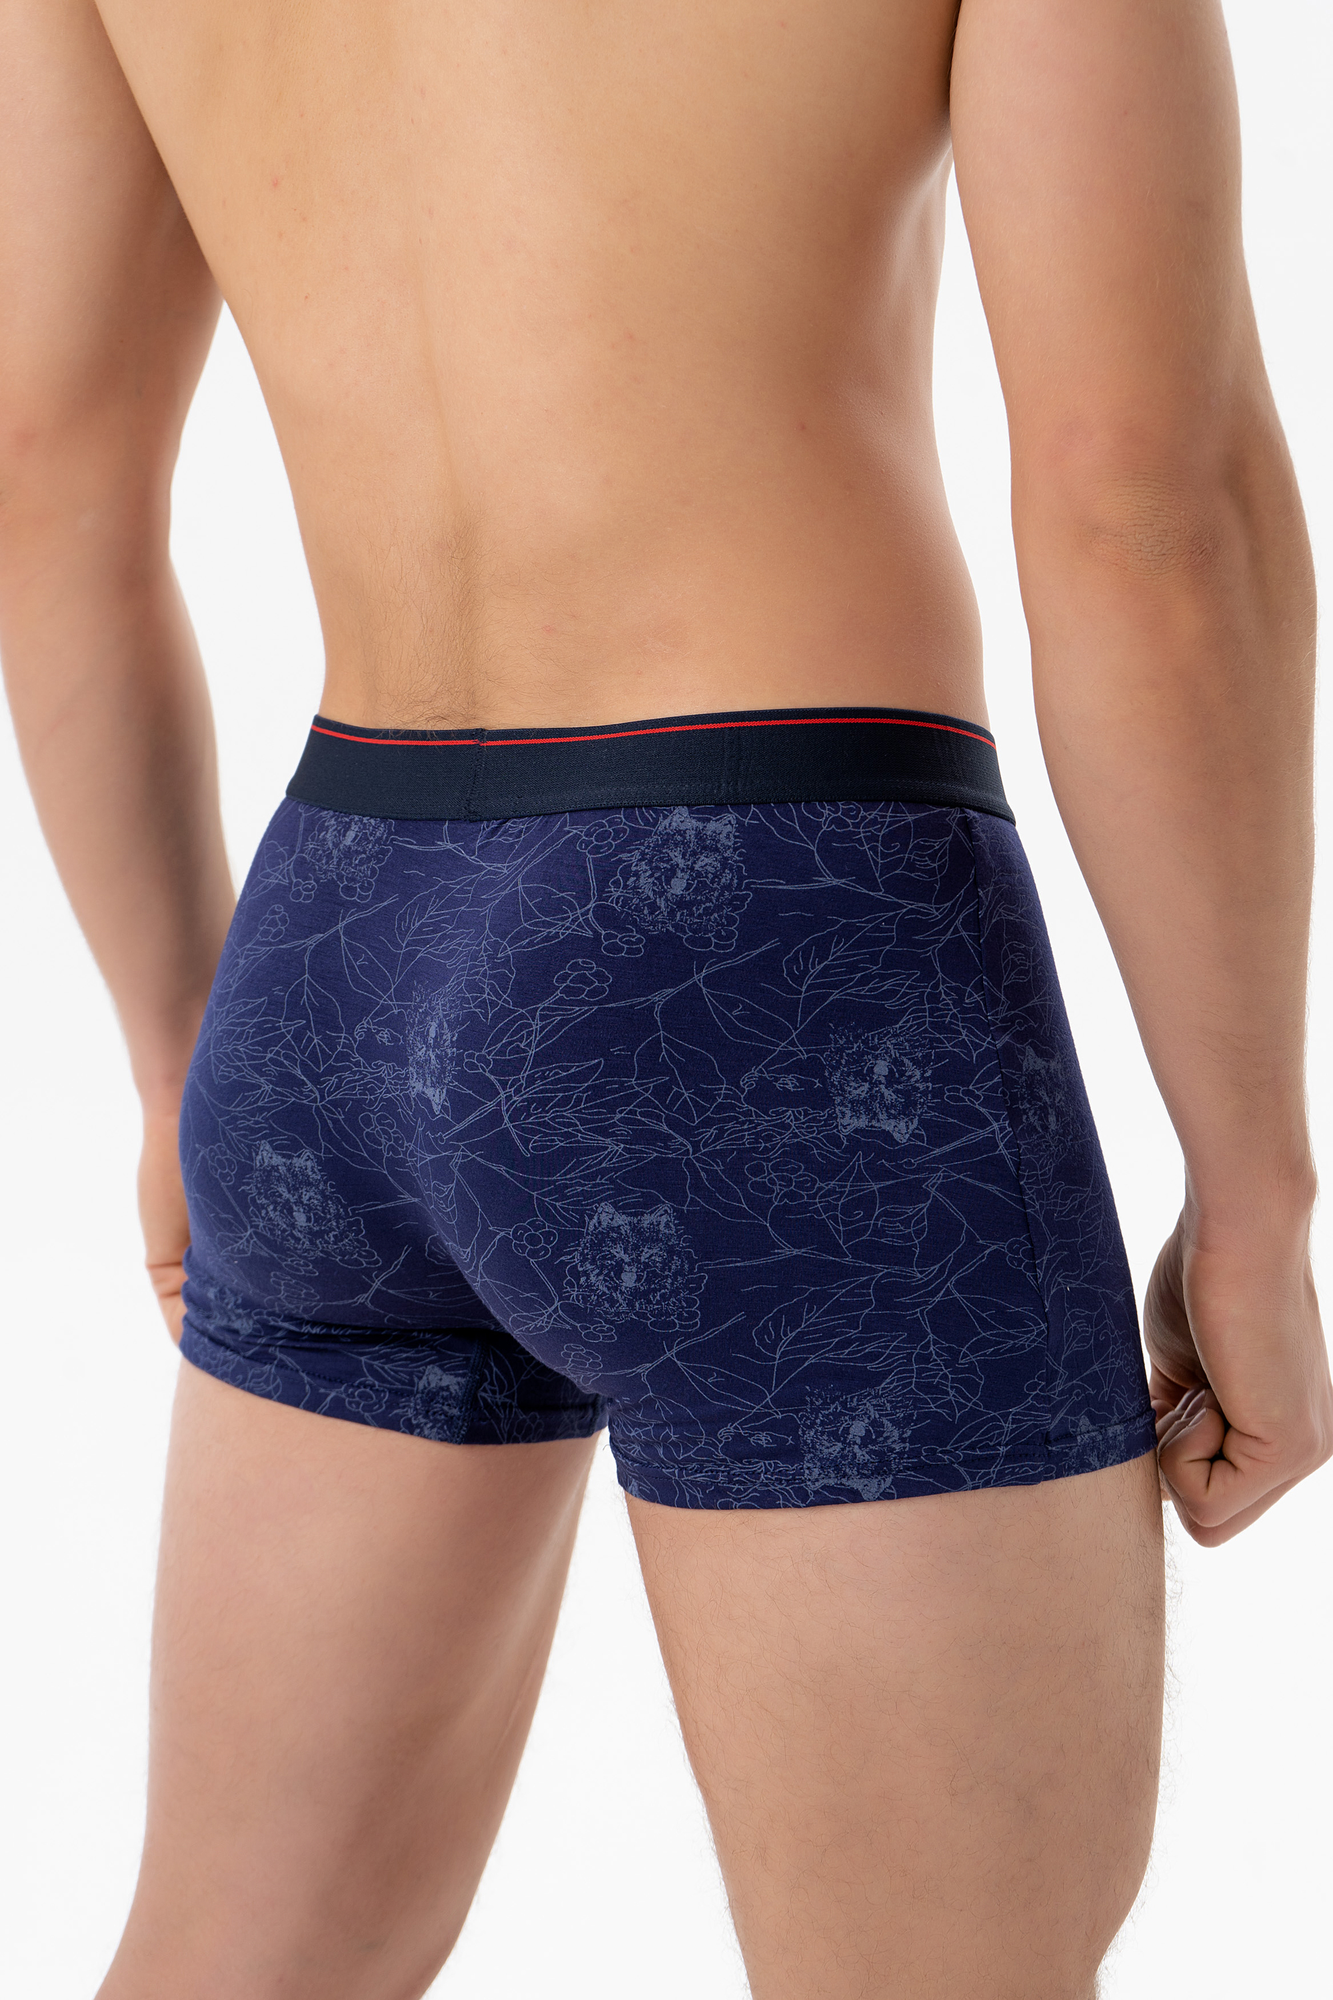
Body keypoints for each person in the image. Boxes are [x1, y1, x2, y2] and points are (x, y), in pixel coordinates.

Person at [1, 0, 1328, 1994]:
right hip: (790, 958)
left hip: (338, 952)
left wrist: (178, 1057)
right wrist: (1256, 1185)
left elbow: (46, 487)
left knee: (234, 1956)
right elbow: (1145, 501)